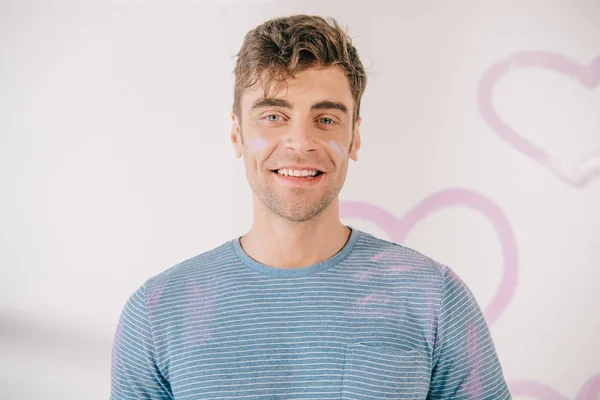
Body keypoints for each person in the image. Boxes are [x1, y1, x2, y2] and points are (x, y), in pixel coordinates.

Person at [110, 14, 511, 400]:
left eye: (326, 119)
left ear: (354, 138)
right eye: (273, 116)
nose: (300, 142)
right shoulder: (157, 313)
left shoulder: (433, 298)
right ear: (237, 134)